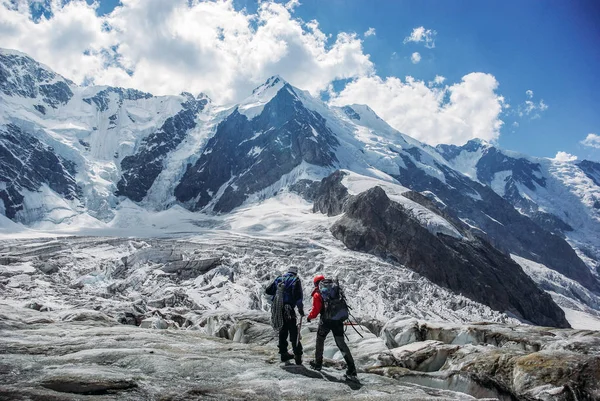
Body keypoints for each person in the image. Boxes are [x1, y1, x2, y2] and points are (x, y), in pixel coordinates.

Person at [307, 274, 357, 381]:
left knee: (320, 340)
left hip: (326, 321)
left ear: (316, 283)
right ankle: (352, 368)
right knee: (341, 344)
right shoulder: (334, 289)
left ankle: (318, 363)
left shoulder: (318, 293)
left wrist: (309, 317)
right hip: (338, 321)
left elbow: (315, 311)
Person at [265, 266, 304, 364]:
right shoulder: (295, 279)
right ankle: (297, 355)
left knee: (282, 332)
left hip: (279, 310)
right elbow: (298, 296)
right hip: (289, 310)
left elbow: (268, 290)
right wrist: (300, 309)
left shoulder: (279, 278)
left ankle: (283, 354)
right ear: (295, 272)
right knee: (294, 332)